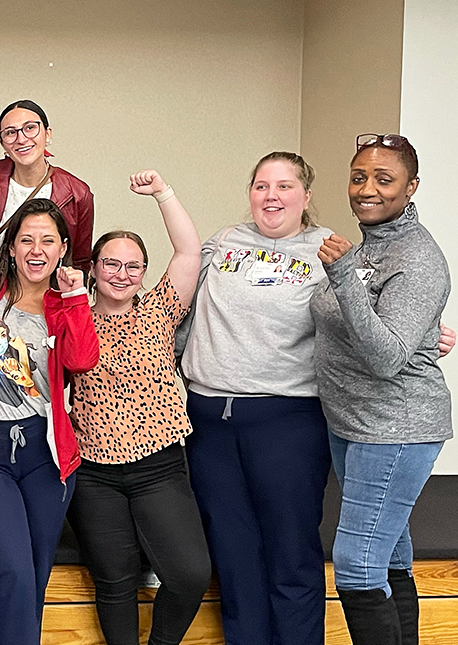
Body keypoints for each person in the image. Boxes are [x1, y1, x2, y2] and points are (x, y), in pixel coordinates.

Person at [180, 151, 335, 645]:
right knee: (234, 555)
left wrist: (424, 334)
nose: (272, 196)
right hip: (208, 422)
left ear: (306, 196)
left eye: (285, 186)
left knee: (290, 554)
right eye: (262, 186)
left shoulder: (328, 251)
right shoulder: (222, 242)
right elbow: (175, 313)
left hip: (287, 420)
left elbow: (368, 317)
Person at [312, 134, 452, 645]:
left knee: (356, 565)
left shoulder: (416, 256)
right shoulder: (370, 246)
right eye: (358, 177)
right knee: (388, 555)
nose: (367, 189)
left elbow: (387, 357)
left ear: (411, 187)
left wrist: (344, 276)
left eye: (384, 180)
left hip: (395, 424)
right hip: (352, 423)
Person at [67, 170, 210, 645]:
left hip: (159, 466)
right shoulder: (72, 315)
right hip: (93, 472)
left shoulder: (159, 310)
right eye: (111, 263)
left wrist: (163, 194)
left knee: (189, 575)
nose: (121, 274)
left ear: (144, 273)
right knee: (115, 582)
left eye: (133, 266)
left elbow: (189, 252)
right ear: (93, 267)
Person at [0, 197, 100, 645]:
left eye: (48, 240)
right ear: (12, 247)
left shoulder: (67, 305)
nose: (36, 249)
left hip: (46, 453)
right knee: (13, 569)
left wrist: (76, 296)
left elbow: (83, 360)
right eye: (26, 239)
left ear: (62, 249)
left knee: (35, 575)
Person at [0, 100, 95, 279]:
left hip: (41, 298)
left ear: (47, 134)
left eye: (30, 128)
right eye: (11, 133)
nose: (21, 139)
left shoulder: (77, 193)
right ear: (3, 144)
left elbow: (78, 261)